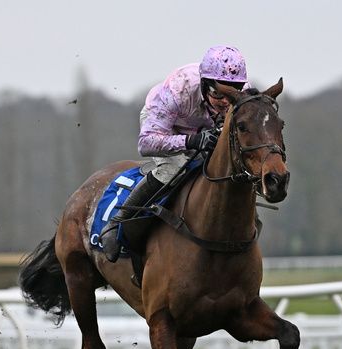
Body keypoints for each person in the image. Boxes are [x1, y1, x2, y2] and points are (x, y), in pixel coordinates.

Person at [100, 45, 249, 262]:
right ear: (205, 84)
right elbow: (146, 143)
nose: (226, 102)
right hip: (166, 128)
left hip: (205, 128)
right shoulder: (178, 89)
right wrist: (192, 141)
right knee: (174, 166)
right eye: (218, 94)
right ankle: (117, 222)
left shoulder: (242, 93)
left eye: (231, 94)